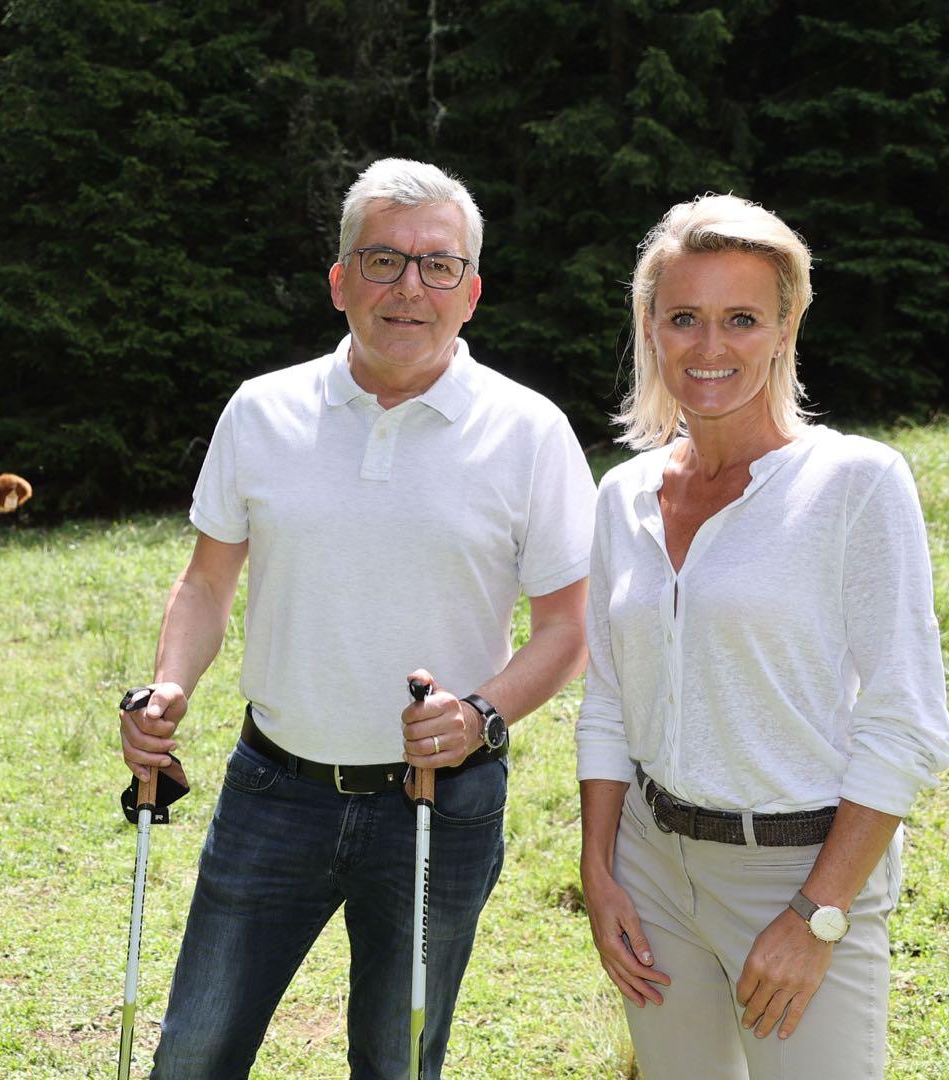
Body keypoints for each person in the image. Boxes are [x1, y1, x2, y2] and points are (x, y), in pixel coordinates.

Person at [118, 158, 596, 1078]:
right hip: (274, 791)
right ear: (340, 282)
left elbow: (567, 629)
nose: (409, 287)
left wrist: (480, 716)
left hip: (440, 803)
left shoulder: (530, 431)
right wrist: (171, 682)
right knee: (193, 1055)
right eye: (382, 260)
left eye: (438, 265)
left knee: (397, 1062)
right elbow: (208, 582)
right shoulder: (261, 411)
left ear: (472, 293)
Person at [575, 193, 949, 1079]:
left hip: (799, 873)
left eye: (741, 318)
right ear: (652, 330)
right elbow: (606, 702)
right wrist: (602, 874)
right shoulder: (622, 497)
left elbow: (907, 722)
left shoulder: (855, 483)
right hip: (652, 870)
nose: (710, 348)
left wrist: (817, 915)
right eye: (684, 319)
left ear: (786, 326)